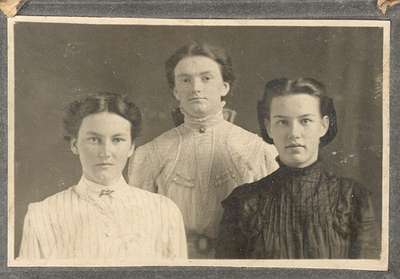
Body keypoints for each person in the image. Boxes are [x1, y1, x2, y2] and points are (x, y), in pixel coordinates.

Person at [128, 42, 278, 258]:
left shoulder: (258, 151)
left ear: (224, 87)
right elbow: (139, 232)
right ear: (175, 91)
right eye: (185, 80)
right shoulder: (149, 155)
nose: (196, 87)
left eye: (206, 78)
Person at [216, 77, 379, 259]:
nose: (294, 133)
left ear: (323, 126)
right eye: (282, 122)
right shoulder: (243, 203)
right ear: (269, 127)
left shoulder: (354, 199)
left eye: (305, 121)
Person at [18, 92, 187, 261]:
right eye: (94, 140)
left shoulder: (164, 212)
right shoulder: (42, 215)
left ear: (131, 147)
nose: (106, 153)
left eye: (117, 140)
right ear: (74, 145)